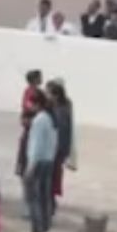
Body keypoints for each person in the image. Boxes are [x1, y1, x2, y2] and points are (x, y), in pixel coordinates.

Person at [45, 79, 75, 216]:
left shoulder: (59, 108)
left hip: (55, 148)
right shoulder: (64, 105)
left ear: (55, 95)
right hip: (58, 148)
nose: (46, 94)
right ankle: (50, 204)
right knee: (52, 178)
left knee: (50, 179)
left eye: (48, 92)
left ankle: (49, 206)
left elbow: (61, 129)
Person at [14, 70, 44, 178]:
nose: (41, 79)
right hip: (30, 122)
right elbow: (28, 105)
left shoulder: (38, 92)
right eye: (39, 77)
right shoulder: (30, 91)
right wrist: (39, 111)